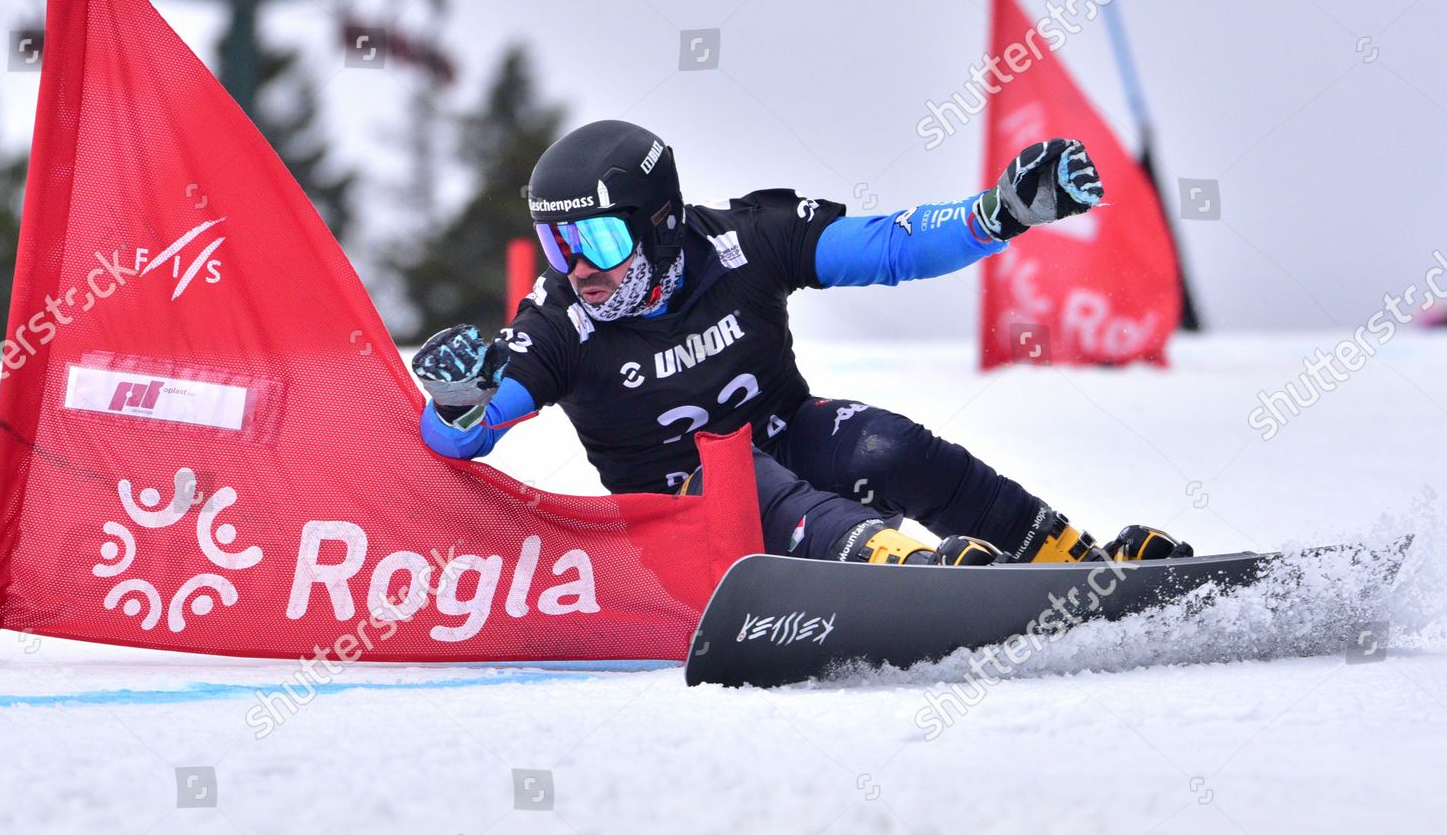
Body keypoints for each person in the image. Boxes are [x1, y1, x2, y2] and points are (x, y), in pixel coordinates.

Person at [412, 120, 1191, 567]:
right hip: (681, 533)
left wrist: (1000, 212)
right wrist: (458, 400)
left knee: (886, 445)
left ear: (660, 220)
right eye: (555, 242)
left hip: (787, 445)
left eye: (597, 238)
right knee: (740, 473)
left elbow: (891, 248)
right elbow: (466, 433)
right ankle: (913, 579)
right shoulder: (560, 320)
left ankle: (1072, 564)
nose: (576, 265)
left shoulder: (747, 241)